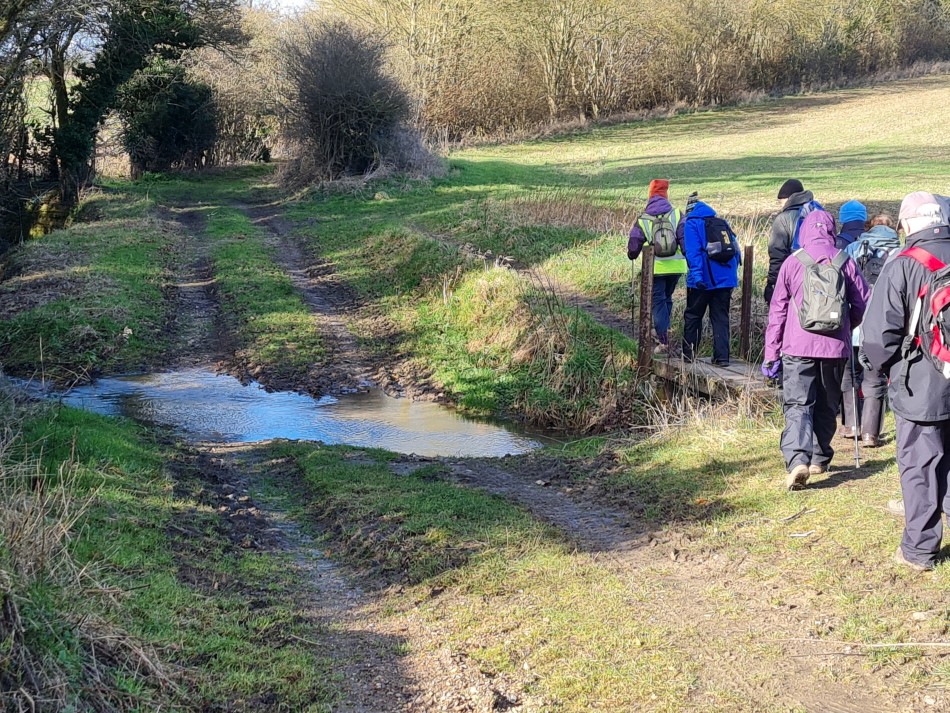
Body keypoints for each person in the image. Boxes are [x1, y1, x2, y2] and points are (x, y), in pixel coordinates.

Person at [862, 192, 950, 572]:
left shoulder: (903, 264)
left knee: (920, 465)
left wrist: (880, 367)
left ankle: (919, 549)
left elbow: (879, 336)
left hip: (920, 384)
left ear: (908, 225)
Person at [763, 210, 870, 490]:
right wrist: (845, 328)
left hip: (797, 346)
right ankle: (820, 458)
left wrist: (771, 353)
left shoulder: (792, 262)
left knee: (798, 404)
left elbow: (778, 313)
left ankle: (797, 459)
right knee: (826, 404)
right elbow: (862, 304)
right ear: (831, 230)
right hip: (835, 348)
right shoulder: (845, 260)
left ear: (804, 231)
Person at [840, 214, 901, 446]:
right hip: (883, 325)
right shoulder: (900, 252)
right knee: (875, 376)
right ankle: (870, 433)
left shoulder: (854, 248)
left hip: (854, 323)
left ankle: (851, 424)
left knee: (849, 374)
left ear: (869, 227)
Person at [628, 179, 686, 353]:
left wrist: (633, 254)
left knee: (658, 301)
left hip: (657, 268)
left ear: (650, 195)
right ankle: (663, 330)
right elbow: (685, 239)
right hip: (676, 267)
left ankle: (664, 340)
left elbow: (633, 247)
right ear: (666, 195)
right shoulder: (677, 214)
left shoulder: (644, 218)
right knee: (667, 298)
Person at [681, 200, 740, 365]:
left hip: (703, 281)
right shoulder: (722, 222)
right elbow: (736, 251)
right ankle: (722, 358)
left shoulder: (691, 224)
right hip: (725, 280)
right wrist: (732, 277)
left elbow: (693, 253)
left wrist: (698, 277)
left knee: (693, 316)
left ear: (689, 211)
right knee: (720, 317)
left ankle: (688, 355)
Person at [765, 179, 819, 304]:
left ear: (788, 198)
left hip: (793, 278)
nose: (780, 205)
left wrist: (772, 283)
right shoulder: (818, 213)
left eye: (781, 201)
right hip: (819, 277)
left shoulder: (784, 219)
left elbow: (777, 254)